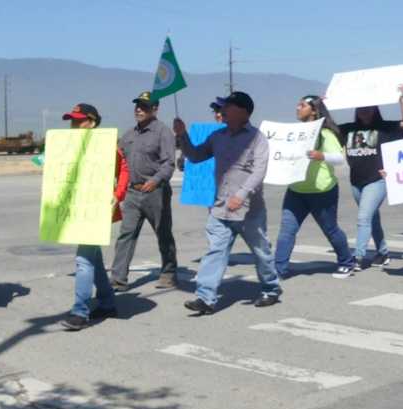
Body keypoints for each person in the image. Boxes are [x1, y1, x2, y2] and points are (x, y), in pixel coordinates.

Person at [173, 91, 281, 313]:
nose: (221, 111)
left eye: (227, 106)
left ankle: (270, 288)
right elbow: (195, 155)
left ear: (243, 111)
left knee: (260, 250)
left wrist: (240, 195)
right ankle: (205, 297)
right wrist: (182, 136)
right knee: (215, 250)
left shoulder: (257, 138)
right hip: (220, 207)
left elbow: (259, 171)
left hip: (249, 210)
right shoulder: (217, 137)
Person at [59, 104, 130, 331]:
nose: (74, 126)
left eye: (78, 121)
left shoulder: (105, 145)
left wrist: (117, 195)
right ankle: (108, 302)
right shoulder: (69, 146)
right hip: (78, 208)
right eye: (72, 121)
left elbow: (125, 170)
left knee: (84, 259)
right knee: (93, 257)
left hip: (97, 209)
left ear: (92, 122)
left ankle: (80, 311)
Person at [274, 95, 355, 279]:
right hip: (296, 190)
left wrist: (322, 156)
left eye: (302, 105)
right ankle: (278, 270)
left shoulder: (325, 134)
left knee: (331, 230)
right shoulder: (294, 134)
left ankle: (346, 262)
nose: (297, 107)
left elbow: (340, 158)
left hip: (322, 191)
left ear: (314, 110)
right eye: (298, 104)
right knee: (287, 231)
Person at [338, 85, 403, 270]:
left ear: (375, 110)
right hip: (356, 182)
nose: (364, 112)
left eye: (368, 109)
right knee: (371, 218)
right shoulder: (348, 129)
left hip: (376, 181)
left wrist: (401, 98)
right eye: (361, 109)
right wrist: (322, 104)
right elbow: (327, 126)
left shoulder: (384, 128)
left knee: (363, 218)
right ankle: (383, 252)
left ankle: (358, 257)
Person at [111, 91, 178, 291]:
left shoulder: (163, 132)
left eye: (144, 106)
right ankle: (118, 279)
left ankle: (168, 272)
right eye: (137, 106)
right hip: (133, 193)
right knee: (126, 234)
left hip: (155, 192)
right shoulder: (129, 135)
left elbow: (168, 163)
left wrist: (156, 180)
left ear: (155, 109)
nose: (139, 109)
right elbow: (118, 159)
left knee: (163, 233)